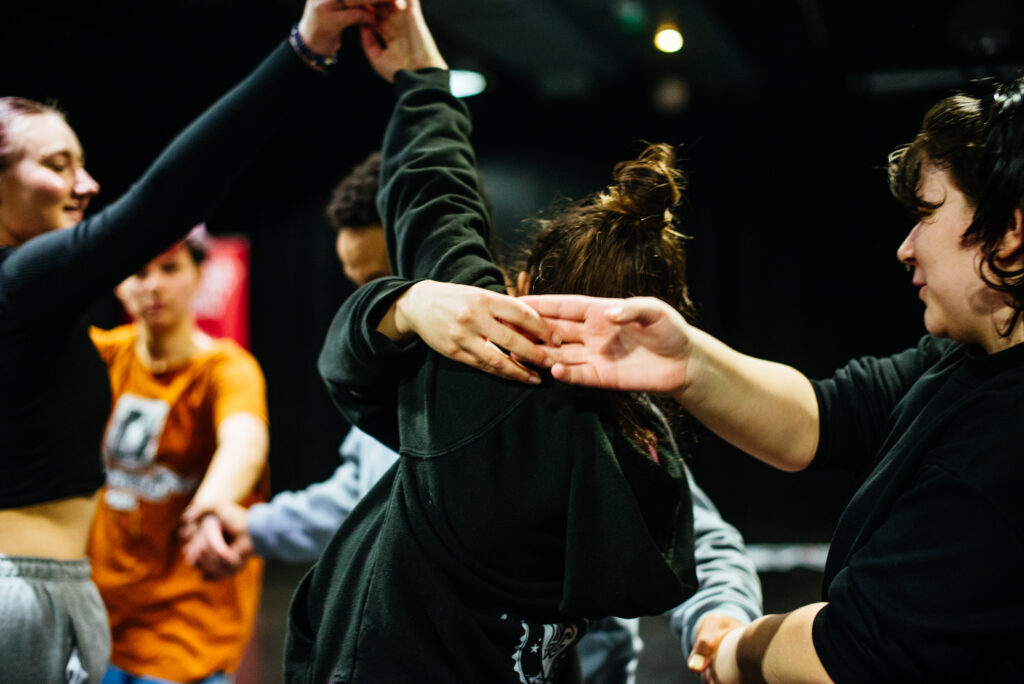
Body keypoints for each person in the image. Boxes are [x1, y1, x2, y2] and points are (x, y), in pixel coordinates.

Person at [186, 149, 762, 682]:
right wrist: (253, 527)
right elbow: (354, 496)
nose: (376, 292)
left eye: (383, 276)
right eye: (361, 283)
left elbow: (692, 533)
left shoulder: (585, 419)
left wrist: (722, 618)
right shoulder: (411, 383)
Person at [519, 78, 1024, 682]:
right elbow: (824, 416)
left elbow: (854, 650)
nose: (906, 247)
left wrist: (732, 651)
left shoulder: (1001, 447)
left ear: (1010, 232)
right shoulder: (969, 357)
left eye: (927, 215)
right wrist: (684, 363)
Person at [283, 2, 727, 680]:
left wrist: (425, 76)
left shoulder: (479, 374)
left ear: (521, 287)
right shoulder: (647, 454)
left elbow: (438, 200)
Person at [0, 1, 398, 681]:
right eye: (58, 166)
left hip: (119, 612)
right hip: (33, 590)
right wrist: (304, 48)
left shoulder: (195, 359)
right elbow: (162, 201)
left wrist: (218, 496)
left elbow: (245, 436)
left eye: (83, 164)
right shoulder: (24, 286)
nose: (86, 186)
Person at [87, 236, 269, 684]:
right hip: (100, 623)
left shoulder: (226, 369)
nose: (153, 286)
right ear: (119, 286)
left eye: (170, 269)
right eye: (139, 272)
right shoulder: (105, 355)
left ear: (198, 276)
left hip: (188, 628)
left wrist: (209, 506)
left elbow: (244, 440)